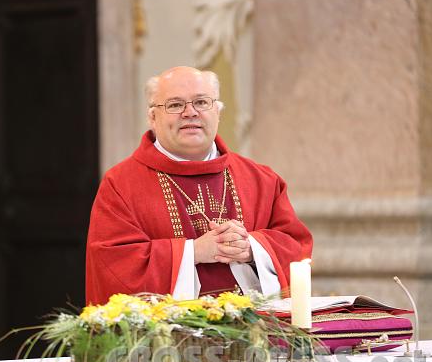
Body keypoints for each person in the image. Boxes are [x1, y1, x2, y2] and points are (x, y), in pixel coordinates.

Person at [85, 66, 312, 304]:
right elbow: (113, 263)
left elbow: (296, 246)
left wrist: (251, 248)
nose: (190, 112)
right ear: (152, 117)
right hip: (168, 338)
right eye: (174, 105)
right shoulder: (121, 184)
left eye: (201, 102)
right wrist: (194, 252)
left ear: (217, 111)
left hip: (258, 332)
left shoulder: (261, 180)